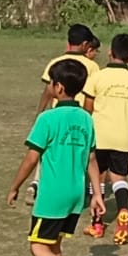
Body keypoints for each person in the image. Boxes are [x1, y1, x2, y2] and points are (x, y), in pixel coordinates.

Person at [7, 58, 104, 256]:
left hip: (52, 195)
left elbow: (31, 158)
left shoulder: (47, 118)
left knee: (37, 246)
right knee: (53, 246)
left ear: (58, 87)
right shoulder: (86, 119)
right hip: (75, 195)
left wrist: (15, 186)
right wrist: (97, 193)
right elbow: (92, 159)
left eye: (50, 83)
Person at [82, 33, 128, 244]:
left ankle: (97, 224)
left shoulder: (97, 77)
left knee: (97, 178)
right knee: (119, 178)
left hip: (99, 136)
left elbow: (87, 108)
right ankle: (123, 211)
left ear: (109, 52)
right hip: (122, 138)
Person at [29, 24, 99, 200]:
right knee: (77, 151)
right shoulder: (92, 66)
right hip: (80, 115)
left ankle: (36, 182)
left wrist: (40, 112)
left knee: (48, 148)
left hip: (57, 112)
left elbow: (47, 91)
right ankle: (78, 186)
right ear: (85, 44)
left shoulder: (55, 62)